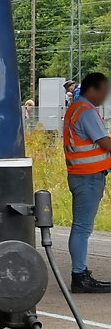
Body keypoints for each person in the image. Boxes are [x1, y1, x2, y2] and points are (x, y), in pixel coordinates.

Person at [62, 72, 111, 293]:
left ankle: (80, 273)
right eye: (103, 91)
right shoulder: (86, 112)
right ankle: (79, 275)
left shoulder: (74, 109)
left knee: (81, 226)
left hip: (81, 174)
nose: (105, 96)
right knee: (82, 227)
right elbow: (105, 142)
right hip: (88, 177)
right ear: (93, 89)